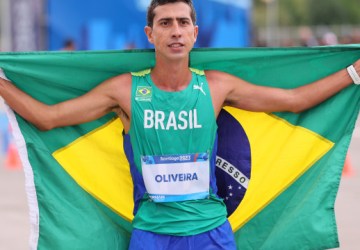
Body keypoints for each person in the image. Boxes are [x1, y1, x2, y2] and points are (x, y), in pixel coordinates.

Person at [0, 0, 359, 249]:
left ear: (195, 33)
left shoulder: (216, 87)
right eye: (165, 23)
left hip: (211, 233)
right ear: (149, 34)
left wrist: (352, 74)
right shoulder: (126, 90)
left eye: (183, 22)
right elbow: (48, 118)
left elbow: (294, 101)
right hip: (152, 235)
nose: (175, 30)